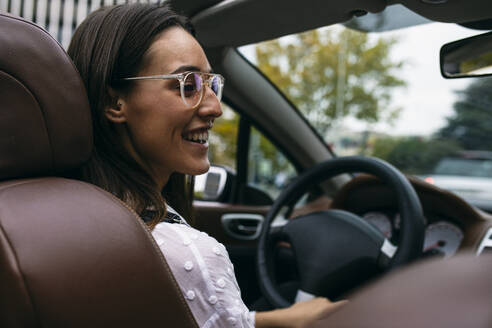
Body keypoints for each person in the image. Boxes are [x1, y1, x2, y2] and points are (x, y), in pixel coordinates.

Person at [67, 3, 346, 327]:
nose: (215, 107)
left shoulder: (77, 210)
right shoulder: (181, 251)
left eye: (211, 84)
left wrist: (278, 320)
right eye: (187, 85)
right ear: (113, 102)